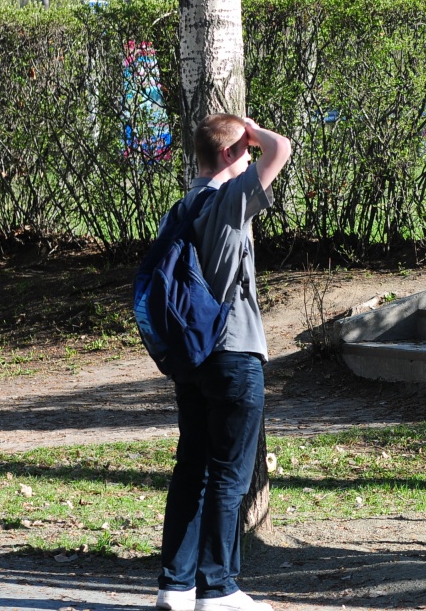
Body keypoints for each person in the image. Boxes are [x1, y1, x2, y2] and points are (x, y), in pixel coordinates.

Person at [156, 114, 291, 611]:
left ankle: (175, 584)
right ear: (234, 154)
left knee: (191, 466)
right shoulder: (231, 201)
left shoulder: (183, 205)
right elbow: (284, 150)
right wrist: (253, 131)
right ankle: (219, 590)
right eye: (246, 151)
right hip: (234, 354)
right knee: (229, 475)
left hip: (192, 357)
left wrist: (233, 140)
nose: (254, 157)